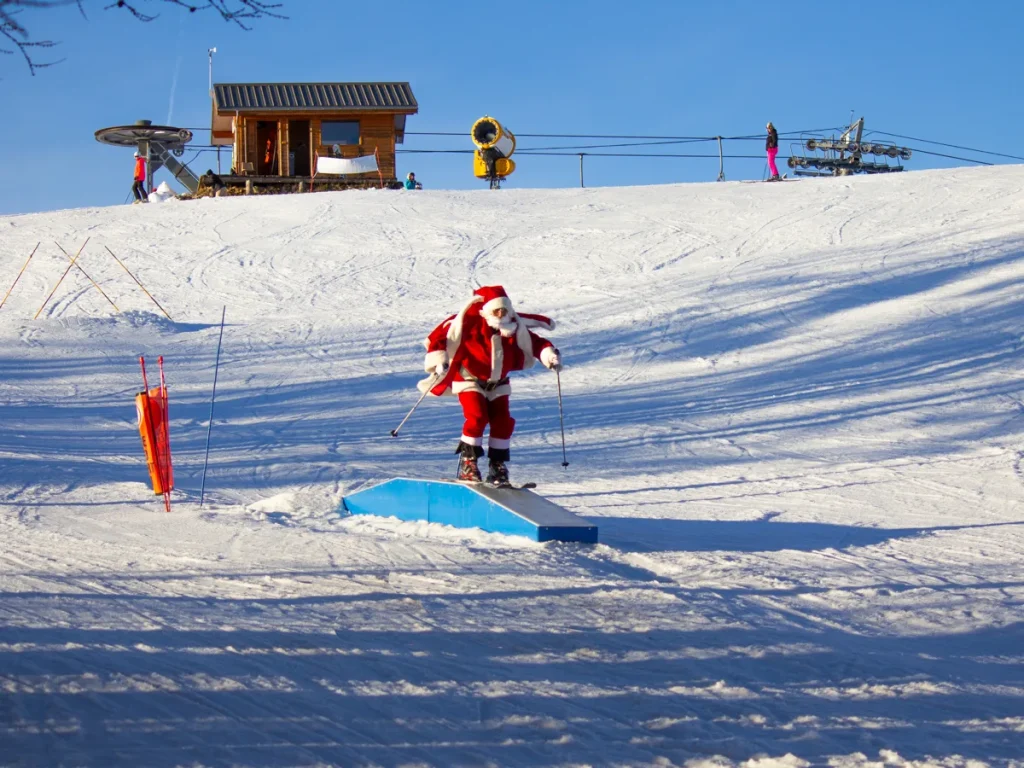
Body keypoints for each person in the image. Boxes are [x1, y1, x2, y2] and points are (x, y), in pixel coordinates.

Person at [419, 285, 562, 485]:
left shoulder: (513, 328)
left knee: (503, 422)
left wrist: (549, 355)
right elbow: (442, 337)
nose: (501, 314)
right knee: (477, 417)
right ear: (487, 310)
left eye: (504, 310)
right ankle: (469, 463)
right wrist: (439, 360)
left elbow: (536, 342)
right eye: (497, 310)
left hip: (498, 384)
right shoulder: (469, 324)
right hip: (470, 380)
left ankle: (497, 466)